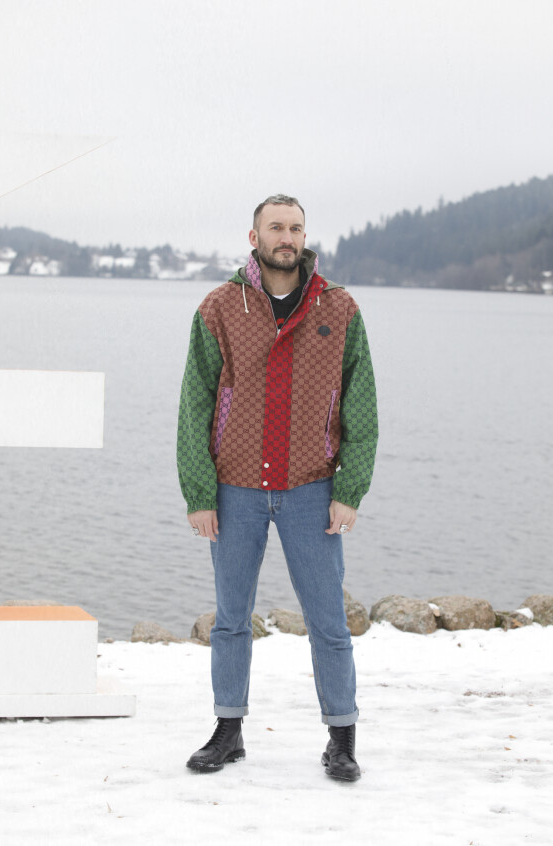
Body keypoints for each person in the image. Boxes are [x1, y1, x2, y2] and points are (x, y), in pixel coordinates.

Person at [177, 194, 378, 781]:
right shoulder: (219, 307)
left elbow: (361, 408)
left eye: (295, 228)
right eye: (275, 228)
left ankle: (341, 737)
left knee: (328, 621)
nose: (285, 237)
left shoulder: (338, 309)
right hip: (234, 488)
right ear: (254, 236)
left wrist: (351, 488)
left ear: (304, 236)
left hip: (311, 489)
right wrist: (199, 493)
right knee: (231, 619)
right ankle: (228, 730)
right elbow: (195, 404)